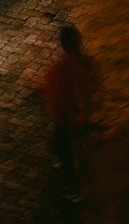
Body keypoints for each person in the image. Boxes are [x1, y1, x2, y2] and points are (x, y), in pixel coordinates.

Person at [36, 22, 102, 200]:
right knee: (75, 148)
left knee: (66, 152)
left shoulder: (61, 69)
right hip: (82, 116)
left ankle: (74, 187)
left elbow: (54, 93)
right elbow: (95, 87)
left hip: (65, 119)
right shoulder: (88, 63)